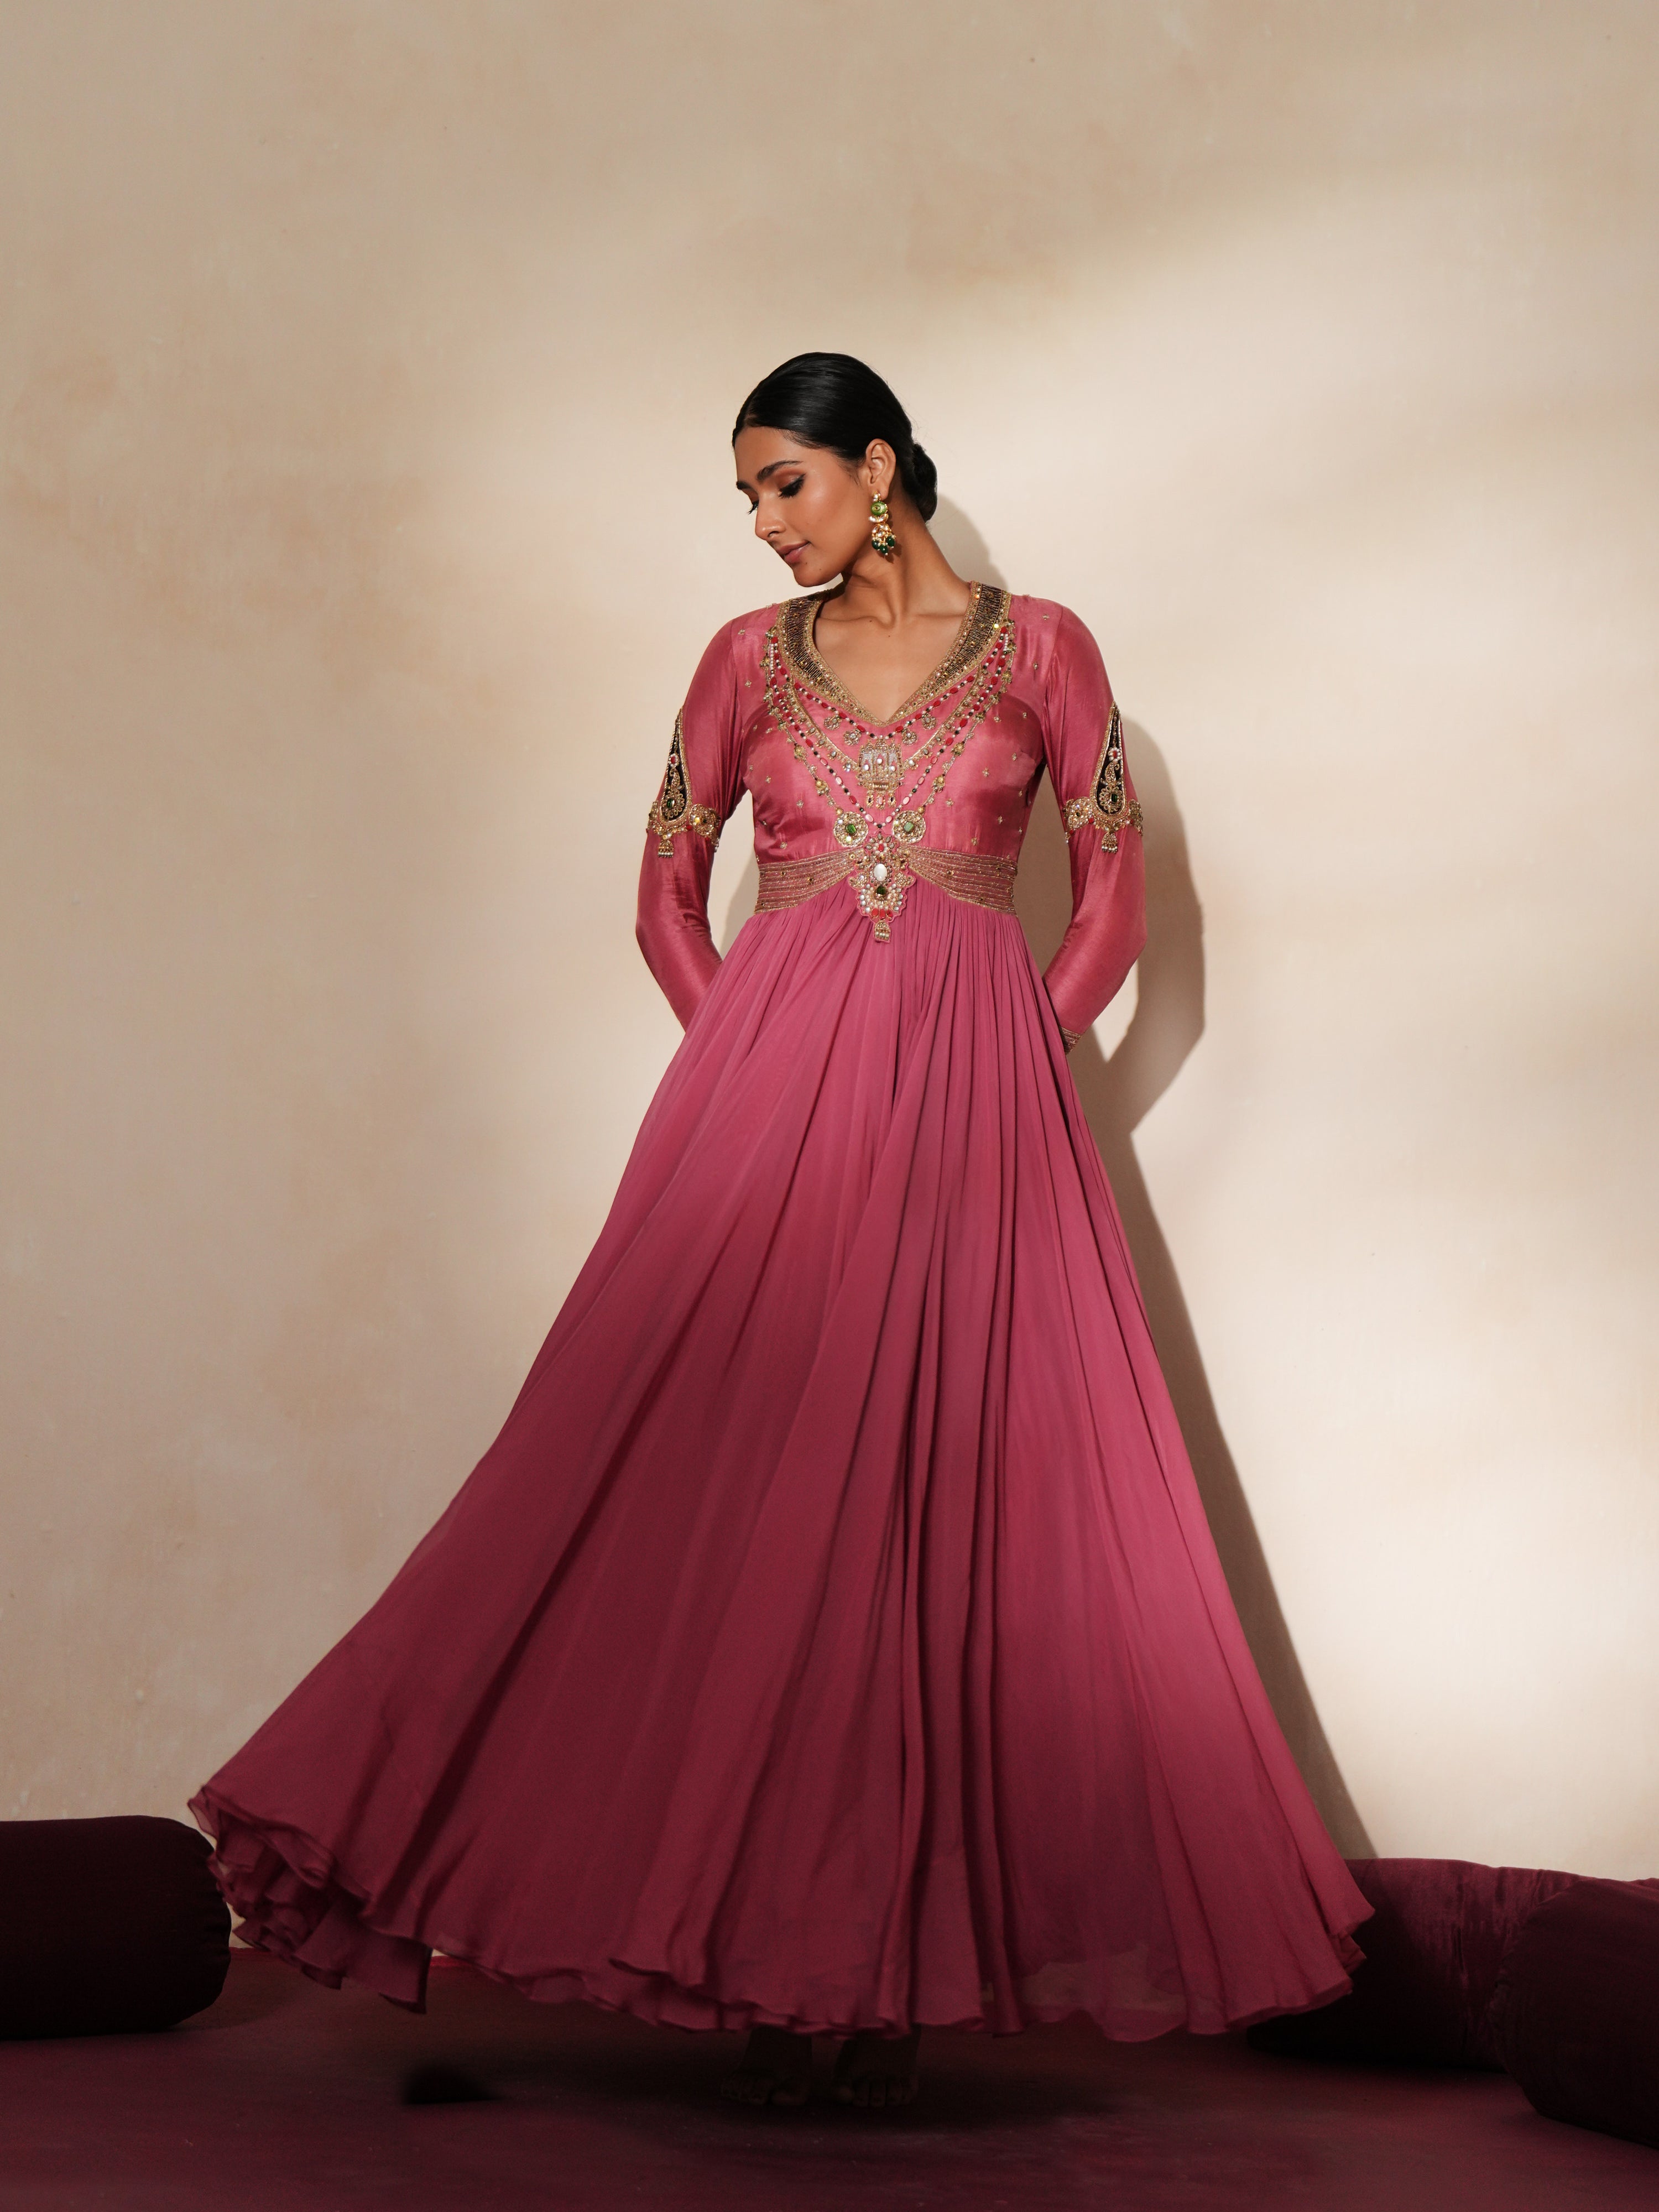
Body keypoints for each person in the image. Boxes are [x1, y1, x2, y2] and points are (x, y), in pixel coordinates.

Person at [192, 353, 1369, 2112]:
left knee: (948, 1511)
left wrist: (1015, 1054)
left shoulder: (1044, 645)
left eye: (783, 484)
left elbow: (1116, 893)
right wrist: (758, 1059)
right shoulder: (742, 666)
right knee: (690, 1481)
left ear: (876, 466)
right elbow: (670, 889)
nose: (761, 523)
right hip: (771, 1109)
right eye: (746, 496)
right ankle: (631, 1904)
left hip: (990, 1118)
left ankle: (871, 1962)